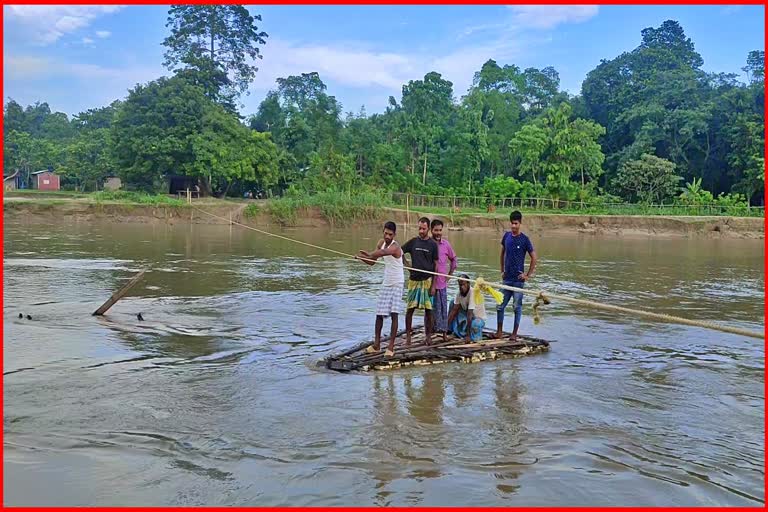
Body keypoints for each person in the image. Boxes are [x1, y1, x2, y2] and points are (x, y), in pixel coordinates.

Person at [356, 221, 404, 357]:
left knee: (394, 314)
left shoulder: (395, 247)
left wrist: (370, 254)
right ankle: (376, 345)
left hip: (397, 283)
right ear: (383, 232)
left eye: (390, 234)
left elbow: (383, 253)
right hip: (387, 282)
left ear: (394, 235)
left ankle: (391, 347)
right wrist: (362, 258)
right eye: (385, 233)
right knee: (379, 314)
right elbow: (372, 262)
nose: (387, 236)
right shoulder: (380, 243)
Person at [496, 210, 537, 341]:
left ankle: (514, 334)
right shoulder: (507, 236)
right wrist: (502, 270)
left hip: (518, 281)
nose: (513, 226)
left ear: (520, 223)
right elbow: (502, 253)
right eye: (512, 223)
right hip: (507, 279)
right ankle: (499, 332)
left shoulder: (525, 240)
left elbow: (534, 258)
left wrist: (527, 275)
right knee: (500, 306)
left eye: (516, 223)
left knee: (516, 307)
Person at [401, 217, 439, 345]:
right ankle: (408, 337)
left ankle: (428, 336)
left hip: (427, 281)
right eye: (419, 228)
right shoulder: (413, 242)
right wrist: (407, 266)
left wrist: (434, 285)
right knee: (410, 309)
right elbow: (400, 252)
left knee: (429, 310)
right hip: (414, 280)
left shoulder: (433, 244)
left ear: (428, 229)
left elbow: (436, 265)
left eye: (423, 228)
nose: (421, 231)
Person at [430, 218, 457, 339]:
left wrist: (449, 275)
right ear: (431, 230)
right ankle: (429, 333)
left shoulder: (446, 244)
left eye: (440, 230)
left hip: (442, 283)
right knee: (430, 310)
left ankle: (444, 334)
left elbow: (453, 259)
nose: (438, 233)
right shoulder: (428, 244)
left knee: (443, 309)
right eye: (436, 230)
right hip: (429, 284)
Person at [447, 275, 486, 342]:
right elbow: (454, 310)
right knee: (452, 302)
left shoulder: (472, 293)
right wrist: (445, 328)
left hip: (477, 317)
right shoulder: (459, 293)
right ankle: (449, 329)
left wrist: (468, 335)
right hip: (466, 313)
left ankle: (468, 334)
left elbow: (469, 314)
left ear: (468, 284)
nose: (462, 287)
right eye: (460, 285)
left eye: (463, 285)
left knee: (475, 325)